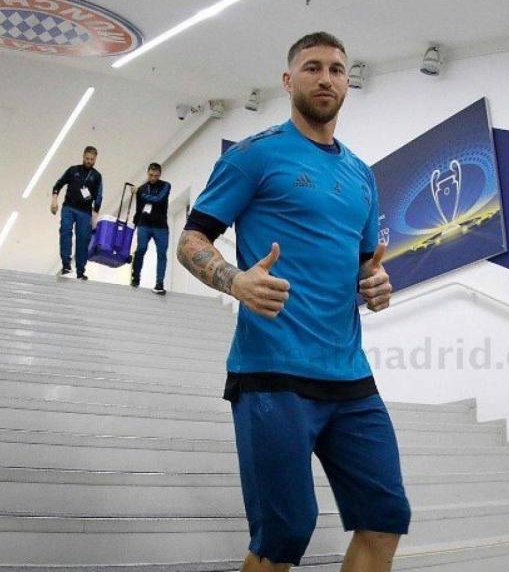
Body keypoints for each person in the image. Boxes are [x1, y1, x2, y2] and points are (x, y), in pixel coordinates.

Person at [176, 32, 409, 572]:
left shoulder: (361, 176)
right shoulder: (255, 156)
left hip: (350, 377)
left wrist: (375, 284)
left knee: (386, 516)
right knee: (284, 534)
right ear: (288, 81)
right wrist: (235, 281)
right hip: (271, 374)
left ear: (348, 81)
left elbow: (360, 266)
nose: (325, 77)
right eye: (312, 68)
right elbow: (191, 240)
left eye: (336, 69)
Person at [51, 146, 103, 280]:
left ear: (95, 159)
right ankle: (66, 264)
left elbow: (98, 196)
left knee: (83, 240)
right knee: (65, 231)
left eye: (92, 159)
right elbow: (58, 184)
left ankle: (80, 271)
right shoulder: (72, 170)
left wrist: (95, 217)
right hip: (69, 207)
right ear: (83, 156)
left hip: (85, 212)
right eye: (87, 158)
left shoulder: (97, 176)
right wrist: (54, 201)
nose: (89, 161)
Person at [130, 162, 172, 295]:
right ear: (147, 173)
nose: (153, 178)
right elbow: (138, 209)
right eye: (151, 175)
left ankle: (159, 283)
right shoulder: (142, 188)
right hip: (144, 224)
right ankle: (135, 277)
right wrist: (134, 225)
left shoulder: (165, 185)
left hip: (161, 226)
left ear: (160, 175)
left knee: (161, 254)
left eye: (156, 175)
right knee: (141, 249)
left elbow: (158, 199)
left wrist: (140, 193)